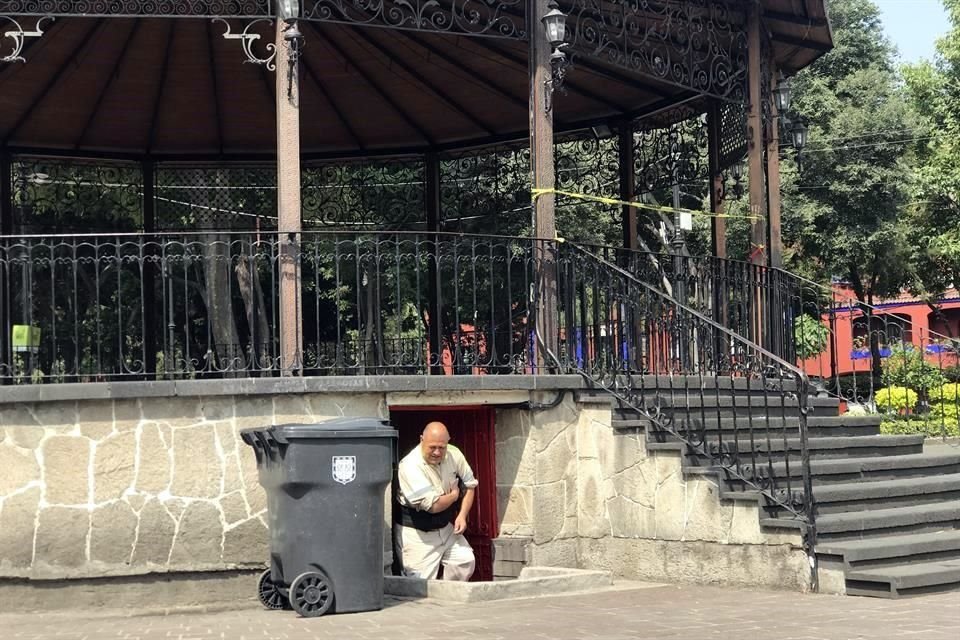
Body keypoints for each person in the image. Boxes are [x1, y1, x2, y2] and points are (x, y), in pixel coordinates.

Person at [395, 421, 478, 580]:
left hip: (446, 528)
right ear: (421, 440)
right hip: (417, 534)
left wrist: (462, 515)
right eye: (432, 447)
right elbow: (433, 506)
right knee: (419, 586)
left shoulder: (454, 453)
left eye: (442, 447)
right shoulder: (410, 465)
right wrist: (454, 495)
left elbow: (470, 485)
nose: (437, 452)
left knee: (464, 561)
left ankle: (448, 600)